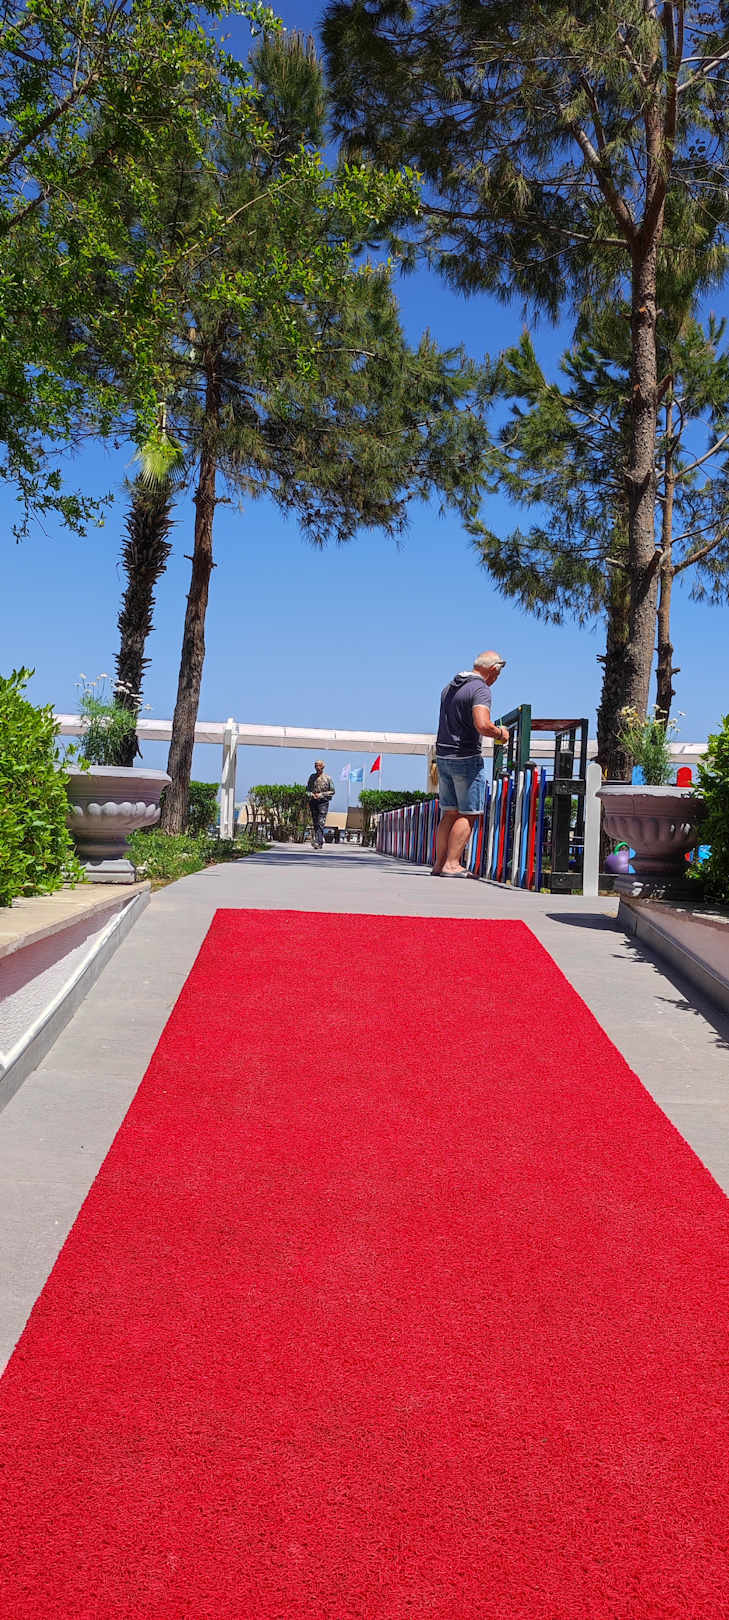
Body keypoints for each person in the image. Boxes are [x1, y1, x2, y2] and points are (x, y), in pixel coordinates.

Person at [432, 651, 509, 876]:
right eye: (498, 674)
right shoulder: (480, 689)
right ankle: (452, 864)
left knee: (449, 813)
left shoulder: (449, 687)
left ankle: (438, 864)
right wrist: (500, 733)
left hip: (444, 755)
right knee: (469, 813)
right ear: (493, 670)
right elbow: (482, 724)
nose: (496, 679)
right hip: (465, 757)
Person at [306, 758, 335, 848]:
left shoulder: (328, 778)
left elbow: (332, 791)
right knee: (315, 822)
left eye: (319, 765)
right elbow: (307, 790)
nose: (317, 767)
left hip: (323, 802)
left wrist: (321, 794)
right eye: (316, 766)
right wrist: (311, 794)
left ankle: (318, 842)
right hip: (313, 802)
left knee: (321, 822)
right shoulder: (312, 777)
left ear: (323, 767)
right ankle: (318, 840)